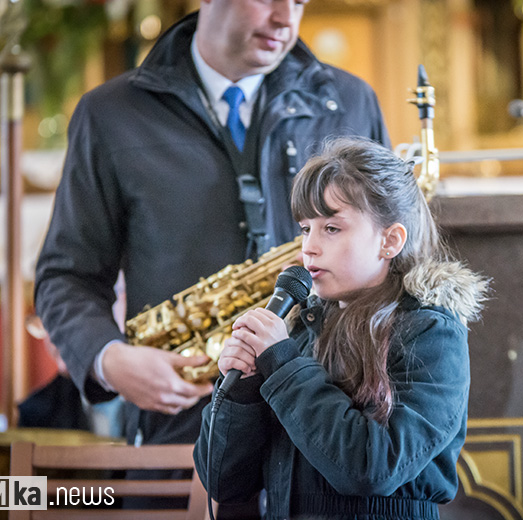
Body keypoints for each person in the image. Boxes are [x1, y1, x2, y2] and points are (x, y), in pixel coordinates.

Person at [34, 0, 389, 455]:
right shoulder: (109, 114)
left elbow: (395, 256)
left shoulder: (351, 101)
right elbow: (67, 275)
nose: (286, 19)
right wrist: (110, 359)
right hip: (183, 431)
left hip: (329, 429)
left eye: (299, 2)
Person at [194, 137, 488, 518]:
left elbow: (373, 470)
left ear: (390, 240)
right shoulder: (300, 329)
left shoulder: (430, 332)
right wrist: (243, 390)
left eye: (331, 228)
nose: (309, 248)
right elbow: (225, 485)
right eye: (305, 229)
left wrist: (283, 367)